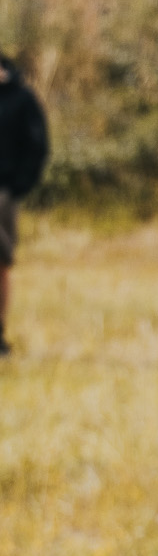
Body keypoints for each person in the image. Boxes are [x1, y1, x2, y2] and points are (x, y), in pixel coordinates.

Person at [0, 54, 49, 357]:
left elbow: (37, 145)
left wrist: (18, 186)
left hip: (2, 192)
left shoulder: (21, 98)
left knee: (0, 263)